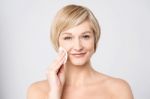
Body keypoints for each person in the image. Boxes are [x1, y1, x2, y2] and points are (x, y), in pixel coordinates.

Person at [27, 4, 134, 99]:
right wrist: (54, 94)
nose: (78, 47)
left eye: (85, 36)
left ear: (95, 40)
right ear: (57, 41)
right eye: (68, 38)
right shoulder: (37, 91)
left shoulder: (118, 89)